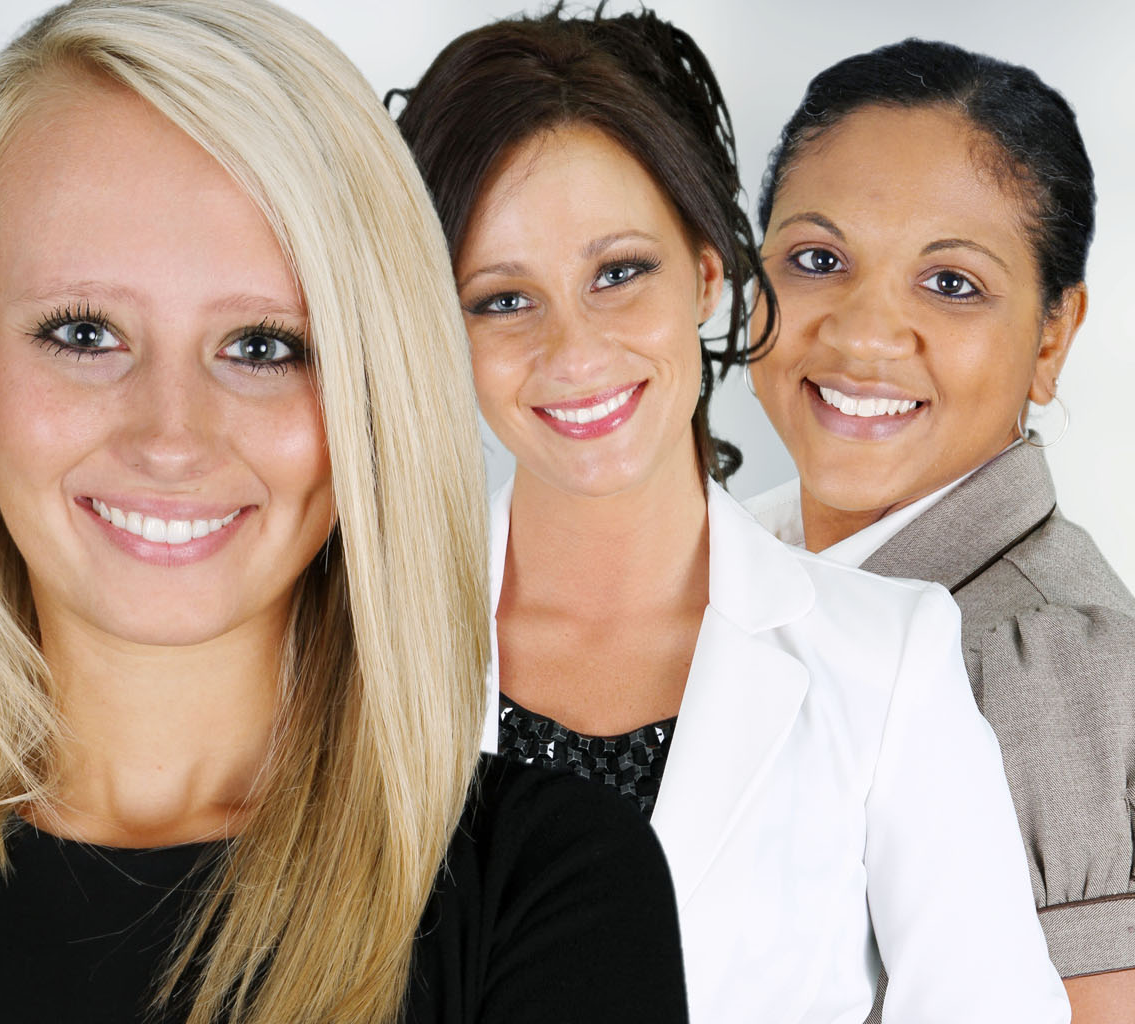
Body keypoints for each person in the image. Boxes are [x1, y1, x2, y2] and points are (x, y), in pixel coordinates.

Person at [0, 1, 687, 1021]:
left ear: (375, 390)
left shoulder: (549, 886)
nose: (170, 437)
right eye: (84, 333)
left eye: (264, 347)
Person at [395, 10, 1067, 1022]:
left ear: (708, 274)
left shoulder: (883, 665)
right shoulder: (354, 647)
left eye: (618, 273)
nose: (574, 351)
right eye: (502, 298)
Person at [745, 38, 1135, 1021]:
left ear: (1051, 337)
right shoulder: (740, 562)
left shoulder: (1041, 669)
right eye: (818, 260)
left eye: (951, 282)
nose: (862, 334)